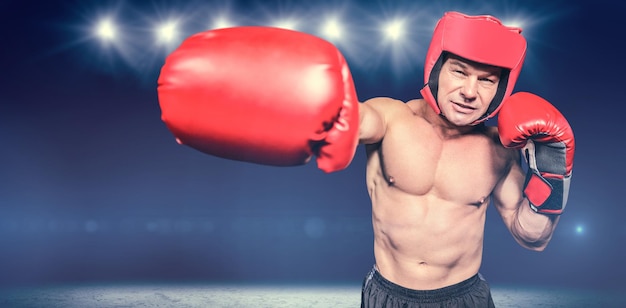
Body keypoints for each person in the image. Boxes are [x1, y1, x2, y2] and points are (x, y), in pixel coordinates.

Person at [157, 11, 575, 308]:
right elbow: (352, 119)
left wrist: (553, 165)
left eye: (486, 81)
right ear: (436, 68)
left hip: (465, 296)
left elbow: (533, 236)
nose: (470, 91)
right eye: (460, 72)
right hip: (389, 295)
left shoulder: (499, 150)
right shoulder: (391, 118)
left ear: (502, 90)